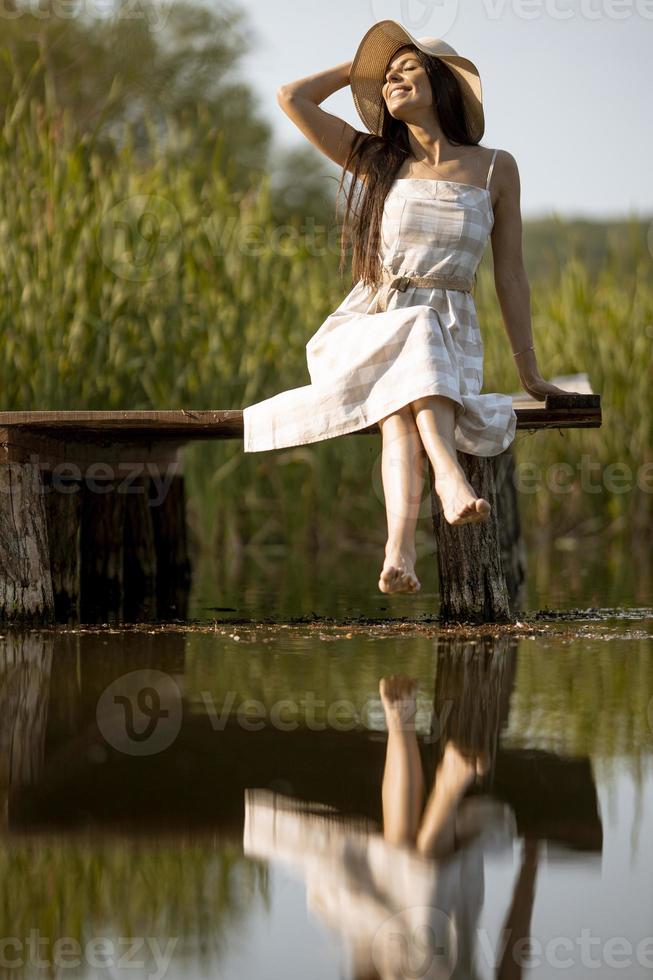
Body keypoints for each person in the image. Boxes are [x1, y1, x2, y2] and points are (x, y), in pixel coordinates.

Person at [242, 20, 575, 595]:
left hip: (453, 332)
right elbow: (291, 97)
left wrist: (529, 371)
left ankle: (398, 554)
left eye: (408, 68)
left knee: (403, 414)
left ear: (440, 81)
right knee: (415, 334)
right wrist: (363, 70)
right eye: (387, 77)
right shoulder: (376, 159)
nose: (393, 80)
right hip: (370, 324)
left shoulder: (496, 168)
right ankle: (449, 480)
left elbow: (512, 274)